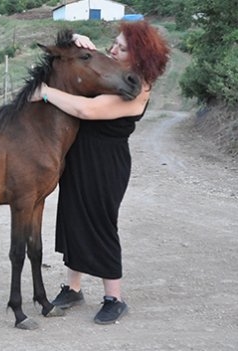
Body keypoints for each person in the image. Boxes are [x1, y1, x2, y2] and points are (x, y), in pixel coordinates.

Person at [30, 21, 170, 324]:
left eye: (121, 47)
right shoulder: (110, 74)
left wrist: (44, 93)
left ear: (139, 54)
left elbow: (87, 110)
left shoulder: (137, 86)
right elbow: (82, 73)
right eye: (114, 43)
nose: (113, 49)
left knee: (100, 224)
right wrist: (78, 42)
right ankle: (73, 288)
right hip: (79, 156)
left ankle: (114, 298)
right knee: (72, 220)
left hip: (105, 163)